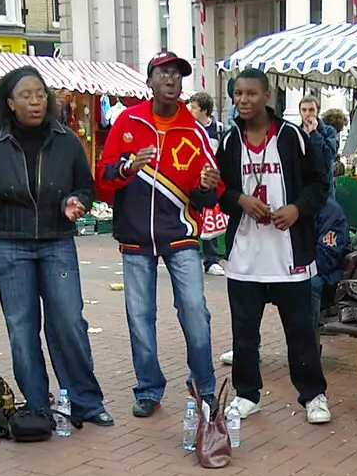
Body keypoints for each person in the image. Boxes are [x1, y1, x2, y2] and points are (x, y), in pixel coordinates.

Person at [0, 66, 111, 427]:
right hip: (9, 244)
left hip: (56, 241)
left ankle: (86, 402)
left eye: (40, 94)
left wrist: (77, 202)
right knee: (22, 327)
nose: (35, 101)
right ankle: (36, 405)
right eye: (26, 95)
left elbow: (86, 188)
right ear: (10, 103)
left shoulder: (66, 140)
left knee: (69, 321)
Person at [96, 51, 221, 418]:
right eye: (163, 74)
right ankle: (149, 389)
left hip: (181, 234)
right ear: (149, 80)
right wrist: (127, 166)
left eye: (177, 76)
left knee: (195, 311)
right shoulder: (127, 123)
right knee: (139, 315)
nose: (171, 81)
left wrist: (205, 186)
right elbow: (103, 180)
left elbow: (211, 193)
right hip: (135, 237)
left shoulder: (195, 130)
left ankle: (205, 386)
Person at [215, 68, 333, 425]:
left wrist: (297, 209)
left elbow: (319, 183)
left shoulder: (293, 137)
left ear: (267, 96)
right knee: (244, 333)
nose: (243, 100)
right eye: (237, 94)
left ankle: (313, 395)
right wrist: (239, 200)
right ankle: (247, 394)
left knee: (299, 331)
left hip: (288, 254)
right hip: (245, 255)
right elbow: (217, 191)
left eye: (251, 93)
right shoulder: (228, 141)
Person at [189, 91, 227, 277]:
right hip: (193, 182)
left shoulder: (219, 129)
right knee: (194, 218)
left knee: (211, 220)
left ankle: (212, 260)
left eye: (194, 107)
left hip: (211, 182)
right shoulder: (188, 128)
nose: (190, 110)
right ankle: (193, 258)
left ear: (204, 110)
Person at [299, 94, 339, 179]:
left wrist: (314, 132)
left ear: (318, 111)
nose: (307, 113)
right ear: (300, 112)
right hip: (302, 186)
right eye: (304, 110)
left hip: (322, 187)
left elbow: (327, 158)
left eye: (311, 110)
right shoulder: (296, 132)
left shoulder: (329, 132)